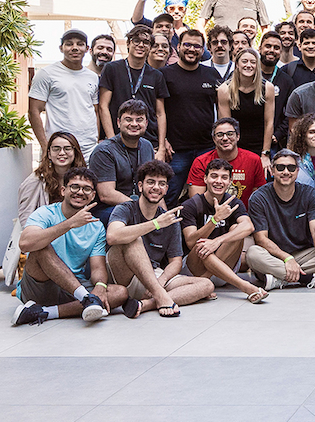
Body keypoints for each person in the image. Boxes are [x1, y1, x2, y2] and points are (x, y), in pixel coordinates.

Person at [12, 168, 129, 326]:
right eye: (75, 187)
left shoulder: (96, 227)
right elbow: (25, 243)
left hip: (72, 286)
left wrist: (101, 286)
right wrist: (69, 224)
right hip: (39, 286)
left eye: (86, 189)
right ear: (63, 190)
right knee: (41, 245)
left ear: (93, 195)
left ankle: (46, 312)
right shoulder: (45, 213)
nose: (80, 192)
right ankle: (87, 299)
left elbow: (97, 268)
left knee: (120, 293)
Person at [106, 161, 216, 317]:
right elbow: (112, 236)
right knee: (133, 239)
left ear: (166, 189)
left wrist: (161, 281)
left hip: (153, 276)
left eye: (161, 184)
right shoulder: (126, 208)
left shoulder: (169, 220)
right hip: (125, 273)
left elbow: (176, 261)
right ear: (140, 186)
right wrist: (155, 224)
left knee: (206, 284)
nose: (156, 187)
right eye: (150, 182)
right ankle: (161, 296)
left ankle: (145, 304)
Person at [247, 149, 315, 290]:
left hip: (304, 254)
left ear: (297, 171)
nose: (286, 172)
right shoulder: (259, 198)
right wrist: (287, 258)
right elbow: (261, 239)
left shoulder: (310, 194)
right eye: (280, 167)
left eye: (291, 168)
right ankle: (309, 278)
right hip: (274, 255)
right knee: (253, 254)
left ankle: (281, 279)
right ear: (273, 171)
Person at [180, 158, 266, 302]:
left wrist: (217, 242)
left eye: (224, 177)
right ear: (205, 178)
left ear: (230, 181)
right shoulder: (191, 205)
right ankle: (245, 286)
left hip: (224, 270)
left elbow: (248, 226)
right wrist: (215, 220)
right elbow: (190, 242)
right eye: (214, 176)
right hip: (194, 269)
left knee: (237, 230)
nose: (219, 181)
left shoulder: (233, 202)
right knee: (202, 245)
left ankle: (203, 283)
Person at [159, 30, 220, 204]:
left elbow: (222, 108)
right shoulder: (164, 74)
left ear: (203, 50)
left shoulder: (212, 74)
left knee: (206, 199)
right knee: (168, 196)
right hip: (176, 151)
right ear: (178, 47)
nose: (191, 49)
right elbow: (157, 112)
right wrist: (162, 141)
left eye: (197, 46)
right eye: (187, 44)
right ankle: (167, 230)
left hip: (206, 148)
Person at [28, 29, 100, 158]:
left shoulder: (93, 77)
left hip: (88, 148)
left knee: (86, 179)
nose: (75, 48)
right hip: (58, 149)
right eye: (69, 44)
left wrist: (96, 141)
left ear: (87, 48)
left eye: (79, 44)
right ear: (61, 48)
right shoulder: (47, 74)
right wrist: (45, 147)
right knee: (56, 179)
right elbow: (34, 111)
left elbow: (95, 111)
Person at [97, 24, 167, 151]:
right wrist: (112, 140)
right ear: (128, 43)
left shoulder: (157, 75)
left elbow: (160, 113)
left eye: (146, 42)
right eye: (136, 40)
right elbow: (103, 106)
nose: (141, 45)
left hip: (149, 142)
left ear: (150, 47)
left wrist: (161, 147)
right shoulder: (112, 69)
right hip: (118, 140)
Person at [88, 99, 156, 223]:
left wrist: (164, 215)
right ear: (118, 122)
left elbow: (153, 184)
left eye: (139, 120)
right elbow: (106, 194)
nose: (134, 124)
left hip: (140, 207)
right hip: (108, 210)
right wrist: (141, 209)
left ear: (146, 123)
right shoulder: (104, 151)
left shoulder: (147, 146)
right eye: (128, 119)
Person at [187, 117, 267, 202]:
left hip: (243, 213)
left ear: (238, 136)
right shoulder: (201, 162)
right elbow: (196, 201)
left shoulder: (253, 160)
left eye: (230, 134)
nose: (225, 138)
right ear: (214, 139)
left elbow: (258, 197)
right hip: (211, 213)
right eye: (219, 135)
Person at [218, 48, 275, 163]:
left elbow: (269, 123)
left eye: (253, 62)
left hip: (259, 146)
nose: (248, 65)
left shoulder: (267, 88)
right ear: (237, 64)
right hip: (235, 147)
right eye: (244, 61)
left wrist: (265, 153)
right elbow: (226, 125)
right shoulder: (224, 90)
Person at [22, 132, 83, 223]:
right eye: (56, 149)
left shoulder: (84, 178)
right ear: (49, 154)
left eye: (67, 148)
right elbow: (25, 217)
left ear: (75, 152)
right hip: (44, 232)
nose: (62, 153)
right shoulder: (35, 181)